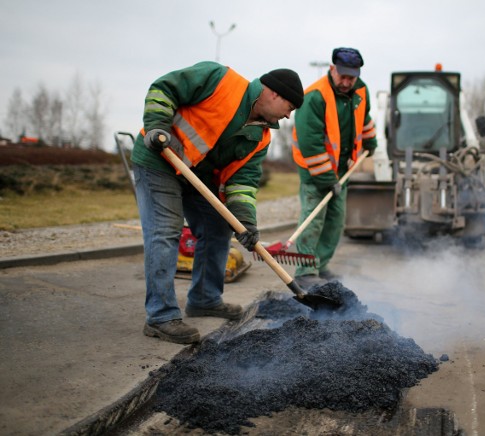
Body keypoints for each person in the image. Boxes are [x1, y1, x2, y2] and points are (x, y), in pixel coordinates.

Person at [130, 61, 304, 344]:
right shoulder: (219, 79)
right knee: (165, 231)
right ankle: (161, 316)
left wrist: (245, 221)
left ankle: (204, 299)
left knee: (217, 228)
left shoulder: (260, 137)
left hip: (197, 176)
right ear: (274, 94)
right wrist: (158, 125)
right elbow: (164, 88)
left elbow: (243, 182)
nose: (288, 115)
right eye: (290, 107)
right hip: (159, 160)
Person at [291, 47, 377, 289]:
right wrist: (326, 178)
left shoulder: (361, 89)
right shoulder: (314, 97)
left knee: (336, 220)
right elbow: (311, 145)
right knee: (314, 218)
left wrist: (371, 140)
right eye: (343, 76)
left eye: (352, 77)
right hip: (314, 168)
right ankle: (305, 270)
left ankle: (321, 264)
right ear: (332, 69)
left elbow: (365, 117)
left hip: (341, 168)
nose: (347, 82)